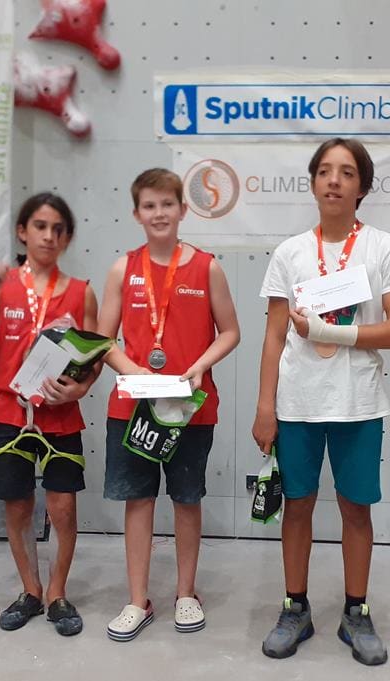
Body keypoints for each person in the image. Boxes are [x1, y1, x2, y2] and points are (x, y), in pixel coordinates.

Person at [253, 138, 390, 665]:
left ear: (362, 186)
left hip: (358, 403)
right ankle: (294, 608)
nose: (334, 180)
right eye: (324, 171)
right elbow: (274, 335)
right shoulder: (290, 253)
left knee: (356, 509)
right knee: (297, 506)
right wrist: (264, 407)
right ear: (312, 183)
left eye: (346, 172)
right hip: (297, 403)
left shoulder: (384, 248)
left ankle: (356, 611)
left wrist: (331, 332)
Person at [97, 168, 240, 642]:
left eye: (167, 204)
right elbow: (103, 340)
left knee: (186, 498)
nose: (159, 213)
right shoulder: (123, 269)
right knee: (138, 500)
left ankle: (185, 594)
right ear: (136, 213)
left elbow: (230, 332)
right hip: (133, 409)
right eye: (149, 205)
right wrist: (133, 371)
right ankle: (137, 600)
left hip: (189, 408)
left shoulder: (207, 268)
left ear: (183, 209)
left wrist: (200, 365)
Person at [0, 192, 99, 636]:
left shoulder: (81, 292)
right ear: (22, 231)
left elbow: (94, 358)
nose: (48, 236)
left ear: (67, 238)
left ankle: (57, 592)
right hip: (9, 411)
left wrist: (80, 388)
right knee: (17, 504)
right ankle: (30, 590)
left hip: (60, 414)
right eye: (40, 226)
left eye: (58, 229)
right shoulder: (3, 286)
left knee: (63, 508)